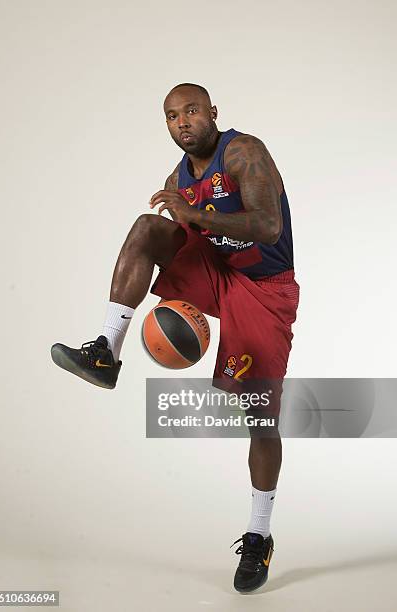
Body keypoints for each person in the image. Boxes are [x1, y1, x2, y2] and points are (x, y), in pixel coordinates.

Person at [51, 82, 300, 593]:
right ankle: (105, 351)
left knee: (259, 417)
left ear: (213, 112)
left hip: (263, 288)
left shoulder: (243, 151)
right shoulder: (177, 178)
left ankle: (259, 535)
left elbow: (269, 226)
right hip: (215, 272)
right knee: (147, 227)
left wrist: (196, 215)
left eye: (190, 111)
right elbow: (180, 236)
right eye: (171, 116)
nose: (182, 122)